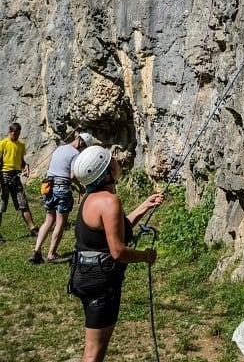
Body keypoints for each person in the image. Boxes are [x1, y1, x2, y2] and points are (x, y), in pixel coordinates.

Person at [69, 145, 164, 362]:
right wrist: (145, 256)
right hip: (101, 282)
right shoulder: (109, 201)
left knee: (94, 347)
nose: (117, 161)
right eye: (111, 160)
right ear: (106, 173)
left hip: (85, 276)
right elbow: (118, 251)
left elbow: (116, 229)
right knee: (94, 352)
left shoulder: (90, 197)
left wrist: (144, 206)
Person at [29, 130, 95, 264]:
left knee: (49, 220)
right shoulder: (75, 154)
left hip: (49, 186)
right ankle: (51, 255)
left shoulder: (59, 148)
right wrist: (80, 187)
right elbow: (72, 176)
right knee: (60, 222)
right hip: (62, 188)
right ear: (82, 143)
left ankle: (36, 251)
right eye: (84, 148)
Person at [0, 122, 38, 241]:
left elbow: (21, 160)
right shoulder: (3, 144)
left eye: (18, 134)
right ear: (9, 132)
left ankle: (33, 229)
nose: (16, 136)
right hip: (4, 174)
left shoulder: (21, 144)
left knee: (23, 203)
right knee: (1, 206)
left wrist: (25, 167)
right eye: (14, 134)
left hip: (16, 175)